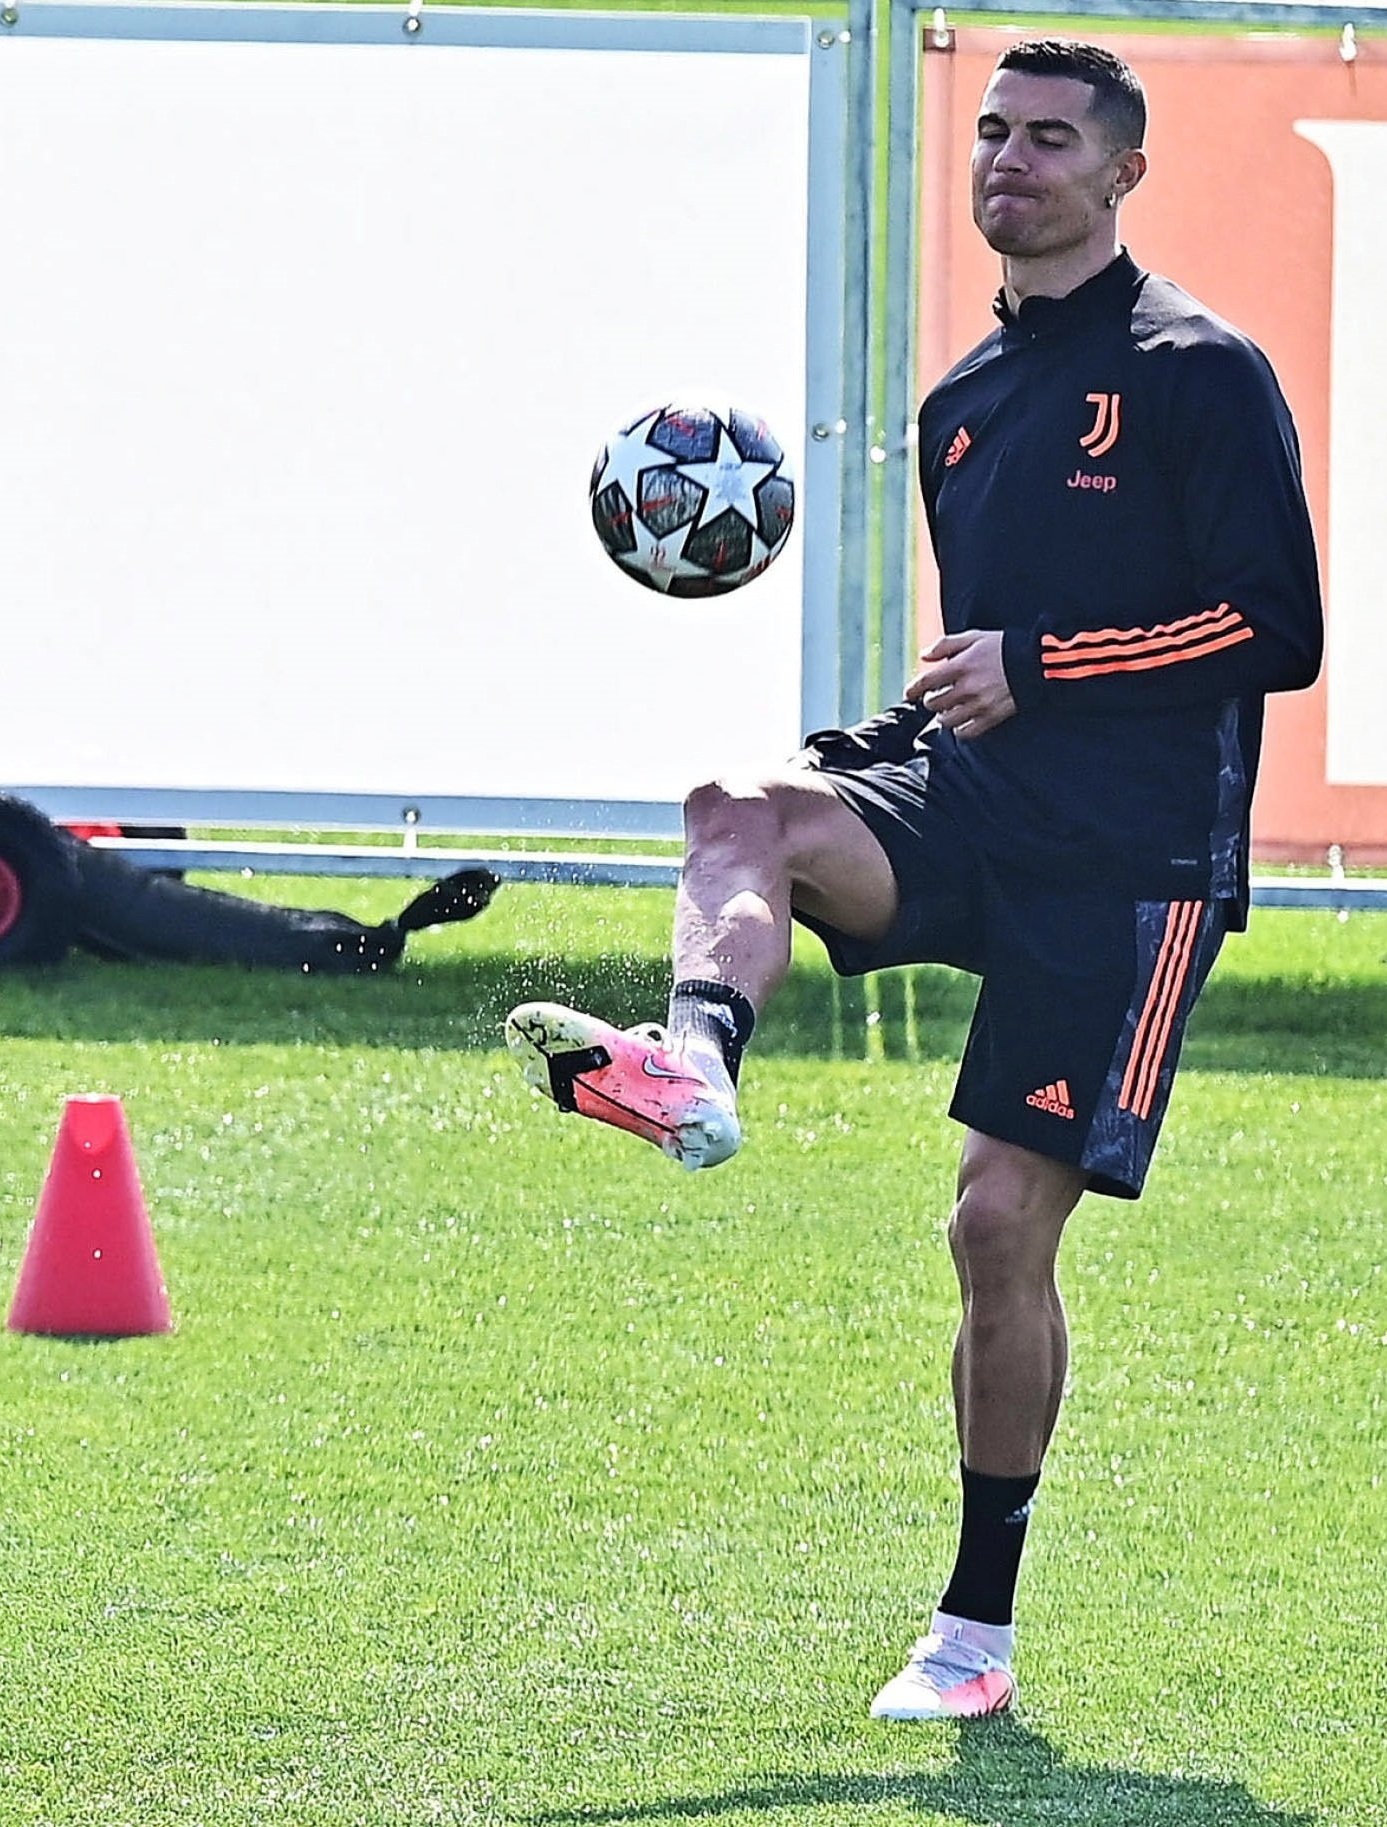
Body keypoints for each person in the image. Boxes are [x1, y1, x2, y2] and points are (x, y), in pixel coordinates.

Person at [506, 38, 1322, 1722]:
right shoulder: (963, 404)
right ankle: (694, 1076)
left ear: (1123, 174)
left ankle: (973, 1636)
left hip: (1133, 869)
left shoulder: (1197, 370)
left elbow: (1278, 630)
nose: (1009, 162)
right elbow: (977, 666)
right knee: (742, 805)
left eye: (1050, 139)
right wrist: (871, 739)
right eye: (994, 134)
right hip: (979, 806)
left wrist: (1052, 667)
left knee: (994, 1227)